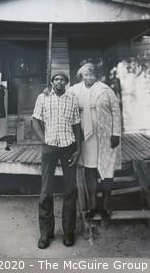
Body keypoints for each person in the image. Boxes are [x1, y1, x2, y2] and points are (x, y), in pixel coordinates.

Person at [32, 71, 81, 249]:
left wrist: (78, 149)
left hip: (69, 146)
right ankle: (46, 234)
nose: (59, 82)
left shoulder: (73, 99)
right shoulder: (43, 97)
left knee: (70, 189)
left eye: (63, 79)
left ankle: (68, 232)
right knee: (46, 190)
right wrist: (43, 140)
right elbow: (35, 121)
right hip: (50, 147)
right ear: (52, 82)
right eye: (56, 79)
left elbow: (77, 125)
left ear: (66, 82)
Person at [69, 62, 121, 221]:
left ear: (96, 76)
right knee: (89, 169)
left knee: (107, 170)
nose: (89, 77)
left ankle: (105, 207)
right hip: (86, 137)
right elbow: (60, 98)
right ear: (81, 75)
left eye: (92, 74)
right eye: (86, 74)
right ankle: (92, 206)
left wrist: (116, 133)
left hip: (105, 136)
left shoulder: (106, 90)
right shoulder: (74, 90)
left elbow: (116, 111)